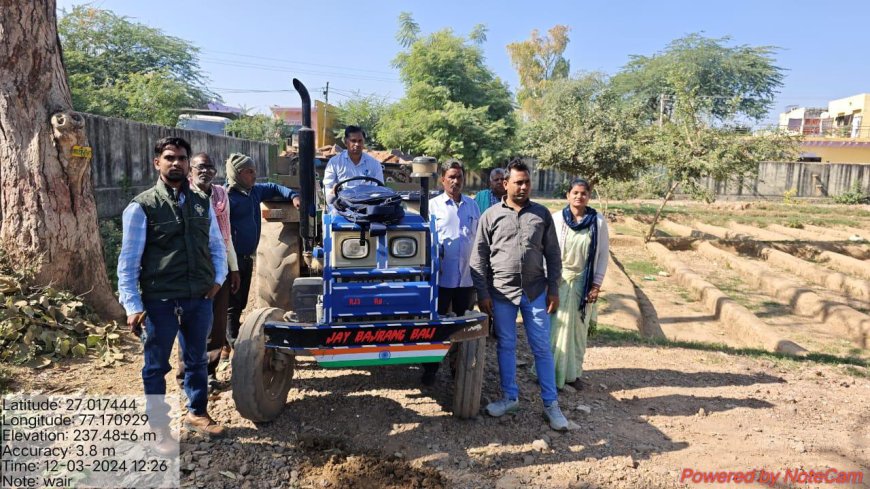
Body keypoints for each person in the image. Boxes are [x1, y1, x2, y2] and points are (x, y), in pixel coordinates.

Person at [118, 137, 228, 439]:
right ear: (158, 163)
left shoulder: (201, 203)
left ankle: (197, 413)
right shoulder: (142, 207)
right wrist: (133, 305)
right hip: (160, 300)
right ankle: (158, 426)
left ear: (187, 164)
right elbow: (128, 261)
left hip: (198, 298)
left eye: (181, 158)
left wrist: (217, 280)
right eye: (169, 157)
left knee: (196, 360)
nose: (176, 163)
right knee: (155, 366)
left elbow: (216, 245)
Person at [470, 160, 570, 431]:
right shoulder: (490, 215)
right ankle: (509, 397)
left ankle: (551, 404)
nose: (524, 186)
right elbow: (478, 257)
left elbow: (553, 254)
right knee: (506, 345)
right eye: (518, 182)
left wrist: (553, 288)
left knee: (541, 347)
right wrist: (482, 293)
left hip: (535, 291)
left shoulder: (541, 214)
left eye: (527, 182)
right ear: (506, 184)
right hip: (501, 293)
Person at [175, 153, 241, 392]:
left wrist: (233, 268)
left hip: (218, 267)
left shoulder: (221, 195)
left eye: (210, 167)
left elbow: (226, 234)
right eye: (200, 167)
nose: (206, 171)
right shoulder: (182, 195)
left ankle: (209, 373)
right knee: (191, 324)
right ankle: (187, 377)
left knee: (216, 323)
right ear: (190, 171)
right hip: (192, 269)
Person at [225, 153, 300, 348]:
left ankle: (231, 337)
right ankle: (231, 342)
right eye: (250, 171)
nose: (254, 175)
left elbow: (274, 187)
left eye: (254, 170)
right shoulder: (226, 198)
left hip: (247, 257)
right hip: (230, 258)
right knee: (231, 303)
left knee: (240, 300)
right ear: (238, 173)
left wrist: (293, 195)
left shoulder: (254, 192)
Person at [421, 159, 480, 385]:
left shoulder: (473, 206)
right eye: (451, 177)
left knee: (463, 327)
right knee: (436, 326)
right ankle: (430, 369)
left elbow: (478, 239)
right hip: (441, 280)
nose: (456, 181)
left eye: (459, 177)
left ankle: (458, 368)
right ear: (442, 179)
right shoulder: (432, 206)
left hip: (466, 280)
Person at [549, 179, 610, 391]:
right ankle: (549, 374)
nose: (579, 197)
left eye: (583, 193)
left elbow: (602, 256)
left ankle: (573, 374)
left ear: (589, 196)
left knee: (577, 332)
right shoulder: (557, 219)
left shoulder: (598, 222)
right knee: (555, 329)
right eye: (575, 192)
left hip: (583, 284)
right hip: (560, 281)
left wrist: (596, 285)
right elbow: (549, 254)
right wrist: (550, 284)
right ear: (568, 195)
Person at [322, 126, 385, 199]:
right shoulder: (334, 163)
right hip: (341, 205)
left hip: (367, 205)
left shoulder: (375, 164)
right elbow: (327, 187)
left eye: (360, 141)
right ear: (346, 142)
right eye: (353, 141)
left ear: (364, 142)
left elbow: (380, 189)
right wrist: (332, 192)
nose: (357, 144)